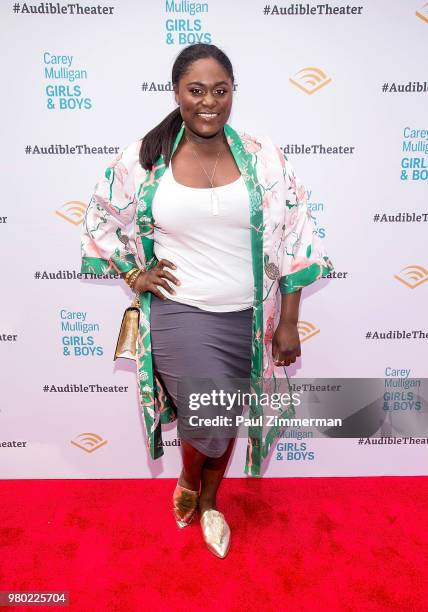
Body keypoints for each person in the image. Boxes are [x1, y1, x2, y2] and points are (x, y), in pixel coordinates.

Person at [81, 43, 334, 559]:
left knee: (225, 414)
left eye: (221, 90)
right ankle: (192, 482)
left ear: (233, 92)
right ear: (177, 92)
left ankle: (208, 498)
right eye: (196, 90)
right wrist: (134, 272)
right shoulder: (144, 157)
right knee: (208, 416)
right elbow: (99, 223)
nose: (209, 102)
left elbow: (297, 236)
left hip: (245, 316)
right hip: (180, 312)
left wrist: (289, 322)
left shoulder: (264, 157)